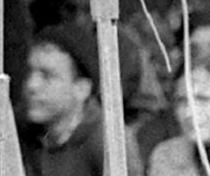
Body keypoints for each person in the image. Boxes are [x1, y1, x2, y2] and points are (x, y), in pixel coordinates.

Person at [19, 25, 146, 176]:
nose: (32, 85)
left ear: (81, 89)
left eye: (47, 76)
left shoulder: (108, 141)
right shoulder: (22, 132)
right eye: (30, 73)